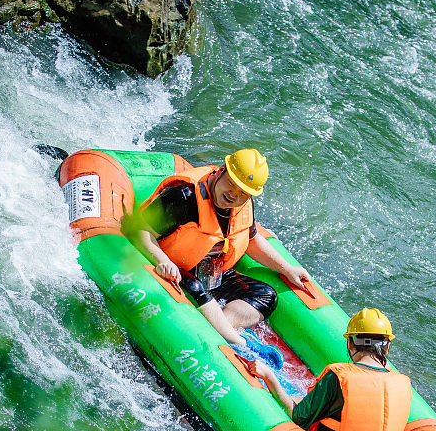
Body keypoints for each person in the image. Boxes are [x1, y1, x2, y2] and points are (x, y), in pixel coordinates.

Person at [130, 148, 310, 350]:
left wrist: (286, 268)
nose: (233, 195)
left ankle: (216, 329)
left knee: (266, 295)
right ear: (222, 170)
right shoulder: (184, 197)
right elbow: (141, 230)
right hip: (178, 270)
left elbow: (250, 239)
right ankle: (236, 341)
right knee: (195, 288)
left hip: (213, 272)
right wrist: (162, 260)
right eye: (231, 184)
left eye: (243, 192)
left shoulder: (243, 204)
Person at [251, 308, 413, 431]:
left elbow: (298, 417)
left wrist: (270, 377)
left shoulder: (339, 376)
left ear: (350, 343)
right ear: (386, 347)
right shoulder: (402, 383)